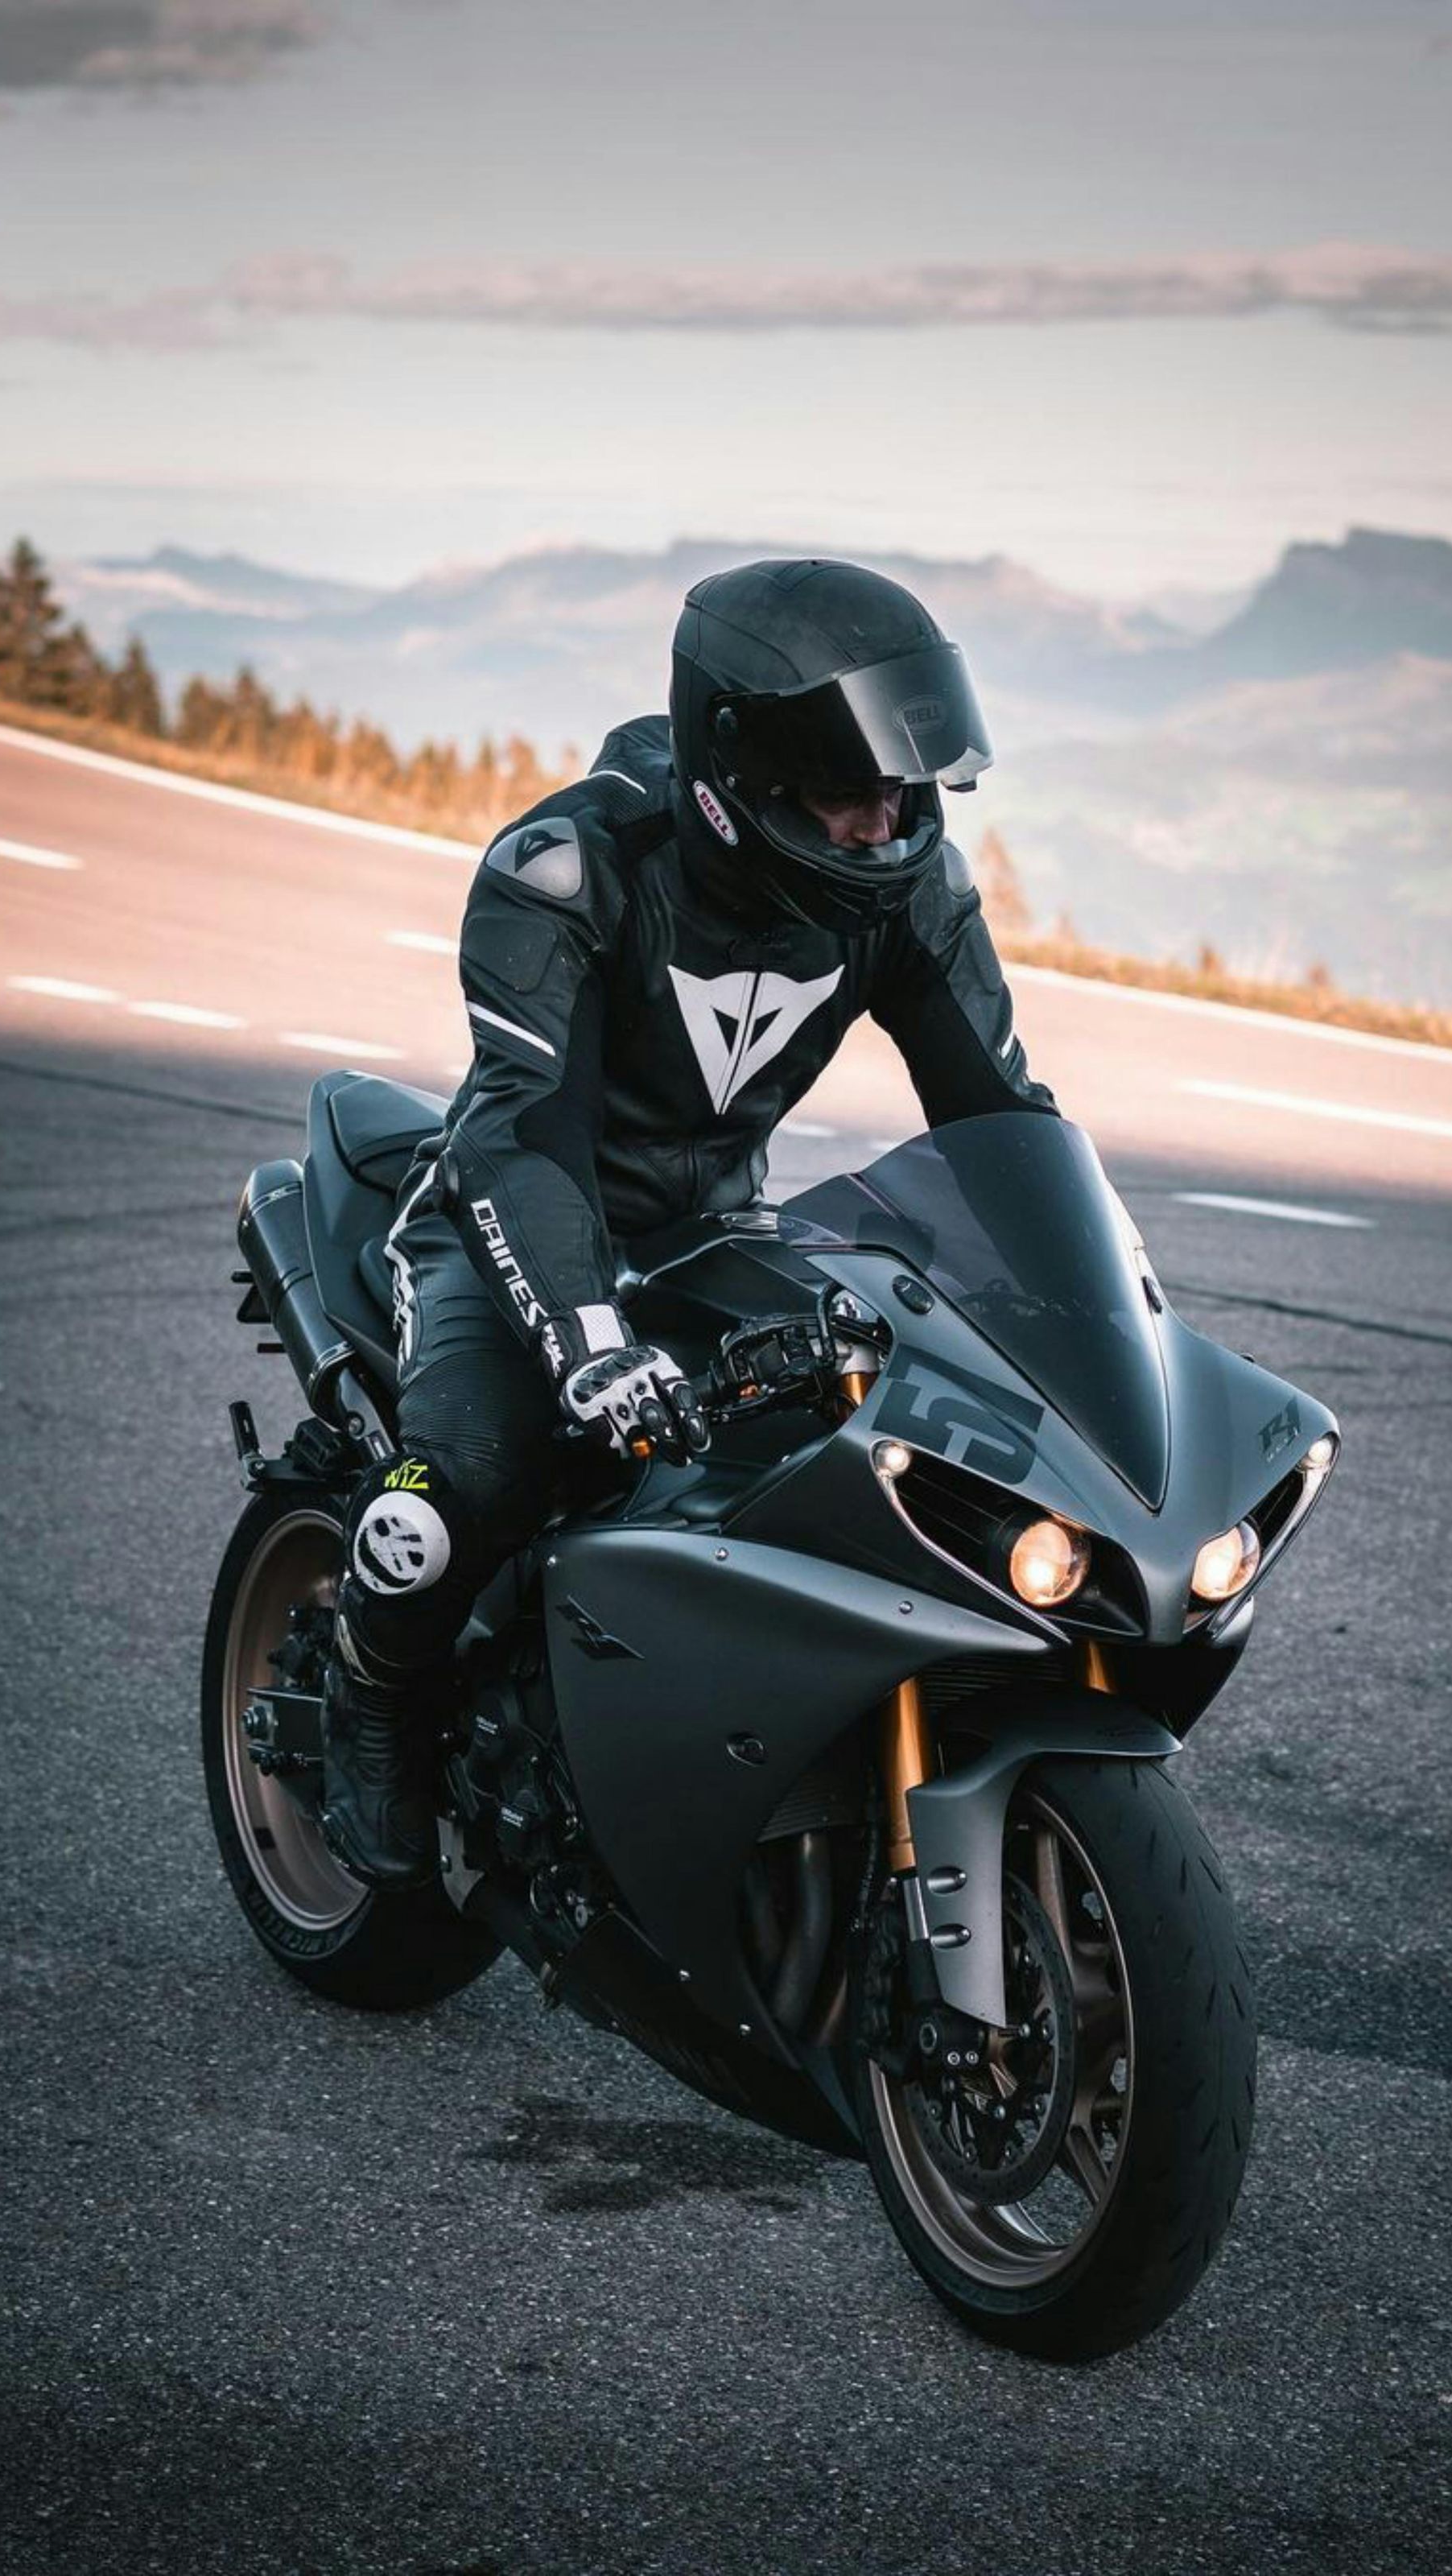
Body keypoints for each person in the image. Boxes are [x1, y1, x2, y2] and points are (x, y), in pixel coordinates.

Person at [320, 558, 1057, 1886]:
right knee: (464, 1489)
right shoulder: (573, 867)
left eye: (902, 790)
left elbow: (1000, 1121)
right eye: (849, 793)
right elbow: (522, 1131)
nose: (883, 820)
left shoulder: (901, 889)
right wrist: (592, 1343)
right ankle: (370, 1696)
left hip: (715, 1235)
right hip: (508, 1229)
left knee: (848, 1470)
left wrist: (1086, 1317)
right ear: (742, 774)